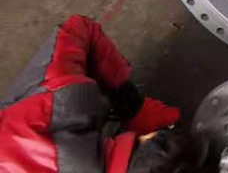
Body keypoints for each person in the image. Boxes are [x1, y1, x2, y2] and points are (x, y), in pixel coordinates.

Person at [0, 14, 192, 172]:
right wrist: (133, 107)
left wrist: (133, 107)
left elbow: (79, 29)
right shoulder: (62, 103)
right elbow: (78, 27)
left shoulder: (61, 102)